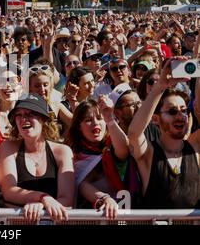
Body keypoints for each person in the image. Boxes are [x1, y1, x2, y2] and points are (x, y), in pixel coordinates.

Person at [128, 58, 200, 208]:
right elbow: (134, 133)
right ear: (155, 119)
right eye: (172, 111)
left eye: (184, 111)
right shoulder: (148, 154)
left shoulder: (195, 148)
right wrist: (160, 85)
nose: (180, 116)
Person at [0, 94, 74, 222]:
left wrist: (41, 206)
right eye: (19, 115)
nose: (23, 119)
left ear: (43, 119)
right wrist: (42, 197)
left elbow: (66, 199)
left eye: (30, 114)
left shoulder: (62, 152)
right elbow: (9, 191)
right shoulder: (8, 148)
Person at [67, 97, 138, 218]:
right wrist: (105, 199)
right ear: (79, 126)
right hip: (92, 218)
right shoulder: (72, 155)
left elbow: (124, 150)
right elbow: (82, 185)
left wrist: (109, 118)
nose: (95, 123)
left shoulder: (112, 144)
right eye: (88, 120)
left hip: (127, 214)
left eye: (100, 118)